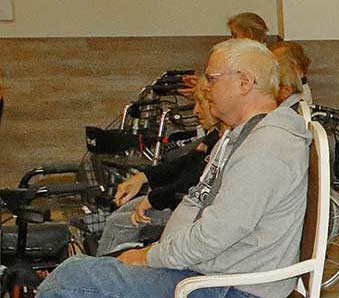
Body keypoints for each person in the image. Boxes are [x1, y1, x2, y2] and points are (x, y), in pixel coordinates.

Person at [38, 39, 310, 298]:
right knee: (82, 268)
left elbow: (217, 234)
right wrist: (158, 250)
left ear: (245, 82)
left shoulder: (266, 147)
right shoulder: (241, 135)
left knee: (70, 280)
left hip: (229, 286)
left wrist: (150, 256)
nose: (205, 88)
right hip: (209, 270)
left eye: (212, 78)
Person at [95, 77, 225, 255]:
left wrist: (155, 199)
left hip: (196, 211)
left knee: (119, 223)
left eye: (201, 103)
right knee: (122, 211)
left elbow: (194, 180)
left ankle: (104, 268)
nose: (195, 110)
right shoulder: (216, 135)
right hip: (182, 200)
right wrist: (143, 177)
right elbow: (187, 163)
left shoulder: (226, 142)